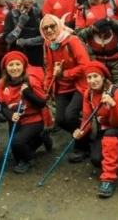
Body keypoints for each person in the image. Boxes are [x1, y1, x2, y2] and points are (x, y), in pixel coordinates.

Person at [73, 61, 118, 198]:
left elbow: (117, 122)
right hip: (104, 132)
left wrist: (112, 106)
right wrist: (81, 131)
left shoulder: (117, 92)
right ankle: (117, 156)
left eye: (96, 76)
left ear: (103, 77)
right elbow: (87, 118)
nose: (92, 81)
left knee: (111, 135)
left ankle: (108, 180)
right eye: (89, 77)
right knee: (96, 160)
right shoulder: (89, 94)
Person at [41, 14, 91, 163]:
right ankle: (85, 135)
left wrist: (65, 74)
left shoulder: (72, 41)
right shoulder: (48, 44)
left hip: (79, 85)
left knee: (70, 116)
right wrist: (46, 89)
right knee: (61, 120)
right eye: (45, 28)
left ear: (59, 25)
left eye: (52, 26)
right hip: (62, 88)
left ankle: (82, 147)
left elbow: (85, 65)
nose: (49, 30)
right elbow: (50, 69)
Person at [0, 51, 50, 173]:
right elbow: (1, 104)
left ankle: (30, 159)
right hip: (15, 119)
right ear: (5, 68)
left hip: (33, 119)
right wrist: (10, 115)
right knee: (17, 155)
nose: (14, 68)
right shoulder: (2, 83)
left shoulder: (31, 81)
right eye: (11, 65)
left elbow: (42, 103)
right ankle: (41, 139)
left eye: (17, 64)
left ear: (23, 66)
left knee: (17, 142)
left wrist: (28, 93)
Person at [74, 0, 118, 84]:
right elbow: (78, 34)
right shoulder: (82, 10)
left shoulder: (116, 3)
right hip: (96, 60)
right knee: (100, 92)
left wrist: (111, 22)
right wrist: (93, 28)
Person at [4, 0, 44, 68]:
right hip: (17, 56)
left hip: (36, 57)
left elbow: (45, 37)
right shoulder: (11, 15)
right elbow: (8, 39)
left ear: (32, 4)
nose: (22, 8)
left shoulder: (38, 14)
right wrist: (20, 25)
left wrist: (25, 42)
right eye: (19, 5)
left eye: (26, 6)